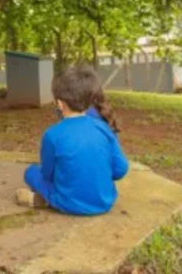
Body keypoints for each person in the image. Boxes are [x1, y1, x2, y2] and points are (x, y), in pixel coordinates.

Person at [16, 66, 129, 216]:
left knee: (31, 172)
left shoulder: (52, 134)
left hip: (68, 202)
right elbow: (121, 168)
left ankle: (44, 199)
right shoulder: (104, 127)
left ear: (60, 104)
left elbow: (48, 175)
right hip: (105, 202)